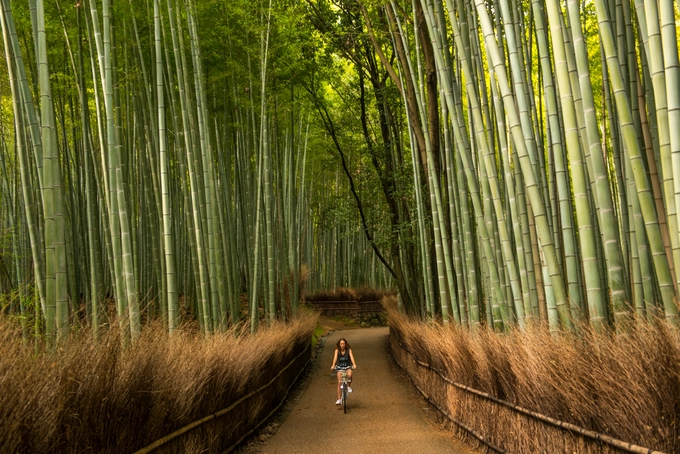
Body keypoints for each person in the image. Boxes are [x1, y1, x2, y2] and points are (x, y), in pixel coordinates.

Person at [330, 338, 356, 405]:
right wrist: (333, 365)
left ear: (345, 344)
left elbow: (352, 357)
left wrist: (354, 364)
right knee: (339, 382)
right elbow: (335, 358)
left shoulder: (349, 350)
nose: (342, 345)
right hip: (340, 367)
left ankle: (348, 386)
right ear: (339, 344)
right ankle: (339, 399)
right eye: (341, 344)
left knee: (349, 374)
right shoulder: (337, 351)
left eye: (343, 344)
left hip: (348, 366)